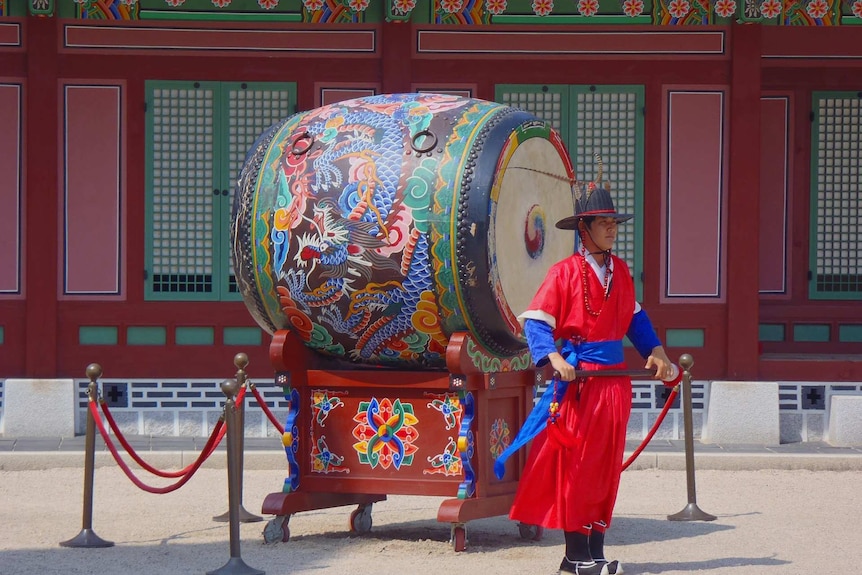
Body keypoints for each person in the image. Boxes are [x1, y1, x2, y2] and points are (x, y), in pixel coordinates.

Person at [494, 159, 682, 575]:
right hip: (580, 384)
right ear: (584, 229)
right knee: (577, 468)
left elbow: (635, 318)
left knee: (605, 467)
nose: (612, 229)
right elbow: (537, 321)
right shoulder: (563, 273)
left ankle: (595, 551)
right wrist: (554, 358)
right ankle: (574, 556)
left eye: (614, 222)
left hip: (615, 384)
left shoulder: (621, 272)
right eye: (603, 222)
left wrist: (657, 352)